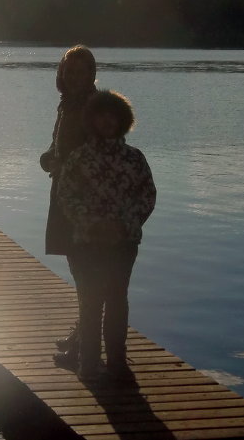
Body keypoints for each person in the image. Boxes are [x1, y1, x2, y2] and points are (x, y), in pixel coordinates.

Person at [54, 89, 156, 382]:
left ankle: (117, 362)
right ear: (92, 121)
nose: (107, 121)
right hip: (87, 242)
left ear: (123, 121)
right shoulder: (79, 158)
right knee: (91, 301)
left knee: (117, 300)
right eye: (101, 116)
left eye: (113, 116)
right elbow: (67, 195)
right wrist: (93, 223)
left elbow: (147, 195)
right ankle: (88, 364)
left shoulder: (135, 158)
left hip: (124, 242)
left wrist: (126, 224)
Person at [39, 45, 98, 357]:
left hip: (84, 202)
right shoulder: (67, 105)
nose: (73, 76)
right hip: (64, 194)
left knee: (86, 268)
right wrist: (48, 157)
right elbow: (58, 145)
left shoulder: (93, 107)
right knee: (79, 267)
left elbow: (99, 155)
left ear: (91, 74)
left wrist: (66, 166)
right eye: (68, 71)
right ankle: (82, 334)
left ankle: (86, 344)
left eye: (79, 71)